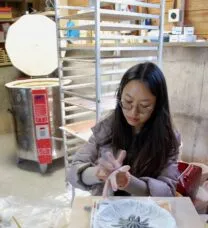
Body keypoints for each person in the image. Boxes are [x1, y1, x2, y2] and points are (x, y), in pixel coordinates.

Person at [68, 62, 180, 197]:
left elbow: (168, 191)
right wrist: (99, 173)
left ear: (158, 105)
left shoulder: (168, 138)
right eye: (127, 102)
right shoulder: (107, 127)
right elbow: (73, 173)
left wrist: (129, 182)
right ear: (119, 96)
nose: (133, 113)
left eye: (144, 106)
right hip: (106, 209)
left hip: (145, 213)